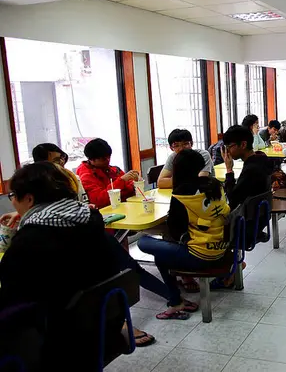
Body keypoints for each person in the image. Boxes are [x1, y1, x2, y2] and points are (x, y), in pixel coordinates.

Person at [0, 162, 123, 368]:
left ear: (29, 199)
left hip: (55, 339)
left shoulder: (31, 241)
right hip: (99, 329)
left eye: (13, 196)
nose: (12, 202)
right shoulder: (90, 220)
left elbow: (11, 290)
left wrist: (23, 231)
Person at [138, 149, 232, 318]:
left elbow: (175, 231)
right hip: (222, 248)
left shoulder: (181, 194)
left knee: (143, 242)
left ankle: (175, 300)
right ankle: (176, 300)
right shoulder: (215, 184)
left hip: (200, 255)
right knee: (162, 253)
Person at [221, 125, 273, 210]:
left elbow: (233, 200)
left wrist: (229, 170)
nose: (227, 151)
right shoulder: (262, 158)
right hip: (260, 212)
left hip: (246, 215)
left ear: (243, 145)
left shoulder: (251, 170)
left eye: (229, 147)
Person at [76, 138, 138, 208]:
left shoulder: (113, 169)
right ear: (92, 160)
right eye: (104, 159)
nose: (108, 160)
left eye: (109, 157)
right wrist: (121, 182)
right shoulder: (86, 176)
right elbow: (99, 201)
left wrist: (135, 182)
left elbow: (131, 189)